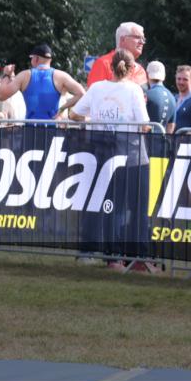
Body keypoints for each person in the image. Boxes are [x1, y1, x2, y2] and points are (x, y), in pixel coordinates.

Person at [70, 49, 154, 271]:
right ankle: (135, 258)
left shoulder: (97, 88)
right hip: (133, 156)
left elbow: (74, 114)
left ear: (110, 67)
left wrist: (94, 120)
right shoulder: (134, 89)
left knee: (108, 205)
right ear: (132, 68)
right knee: (136, 207)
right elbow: (144, 125)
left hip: (104, 155)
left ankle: (112, 257)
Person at [0, 44, 85, 121]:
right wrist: (62, 109)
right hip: (51, 128)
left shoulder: (24, 76)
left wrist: (6, 75)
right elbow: (81, 93)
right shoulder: (61, 76)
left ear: (36, 59)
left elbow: (1, 96)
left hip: (31, 129)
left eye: (31, 58)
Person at [86, 22, 148, 87]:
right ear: (123, 39)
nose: (142, 42)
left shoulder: (140, 70)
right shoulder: (103, 63)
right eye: (137, 37)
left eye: (143, 39)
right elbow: (95, 95)